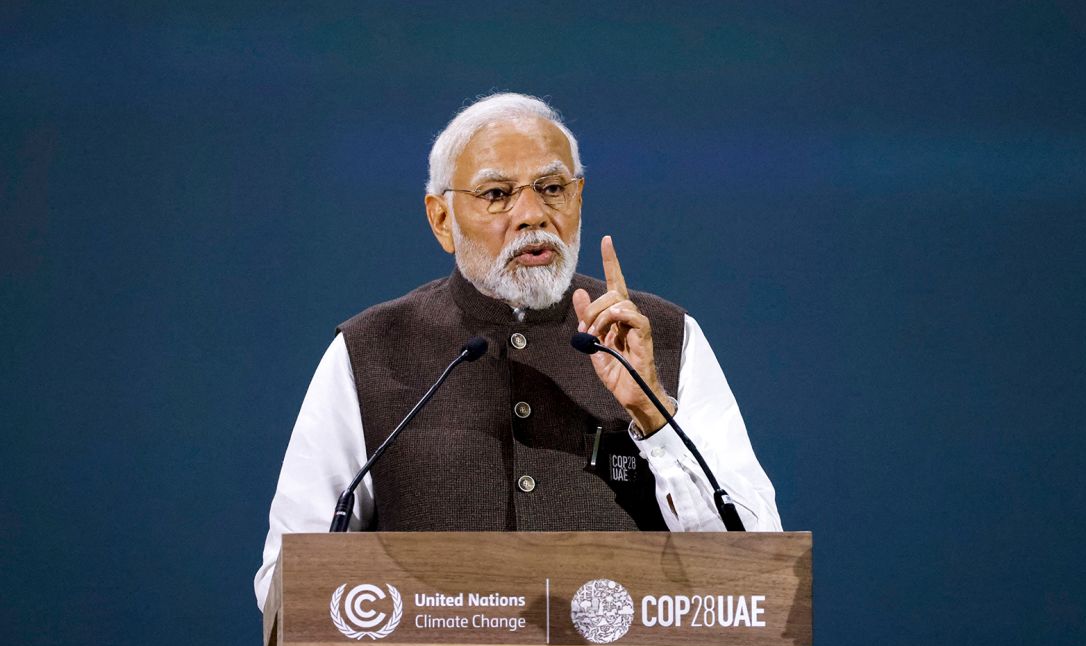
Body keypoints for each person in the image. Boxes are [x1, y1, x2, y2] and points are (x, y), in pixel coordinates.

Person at [254, 93, 781, 610]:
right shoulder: (370, 349)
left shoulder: (662, 336)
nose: (532, 214)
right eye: (497, 194)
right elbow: (287, 577)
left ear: (578, 198)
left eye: (552, 188)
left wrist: (653, 412)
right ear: (442, 220)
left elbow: (755, 563)